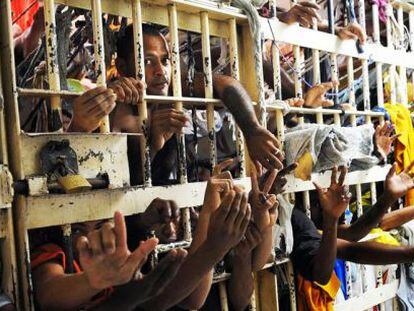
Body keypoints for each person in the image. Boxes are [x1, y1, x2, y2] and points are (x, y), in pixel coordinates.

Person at [67, 24, 284, 184]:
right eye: (148, 61)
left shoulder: (172, 90)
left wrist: (252, 129)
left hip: (173, 206)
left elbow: (225, 84)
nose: (161, 71)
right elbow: (110, 184)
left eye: (165, 60)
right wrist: (154, 145)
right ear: (123, 66)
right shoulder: (114, 106)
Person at [31, 210, 187, 310]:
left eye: (100, 227)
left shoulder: (116, 262)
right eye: (77, 230)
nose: (91, 237)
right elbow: (48, 295)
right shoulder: (55, 252)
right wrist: (92, 281)